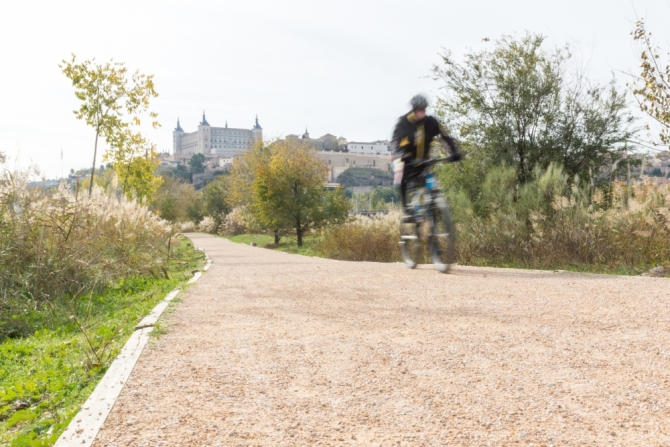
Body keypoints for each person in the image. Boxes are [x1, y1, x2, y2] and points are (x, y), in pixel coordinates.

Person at [391, 94, 461, 211]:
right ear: (413, 110)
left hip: (424, 161)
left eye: (423, 109)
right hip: (408, 161)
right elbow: (395, 141)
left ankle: (436, 208)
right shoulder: (403, 123)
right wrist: (401, 156)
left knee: (432, 185)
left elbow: (446, 136)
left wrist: (454, 151)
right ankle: (405, 208)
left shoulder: (431, 122)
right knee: (401, 173)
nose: (421, 112)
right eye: (418, 109)